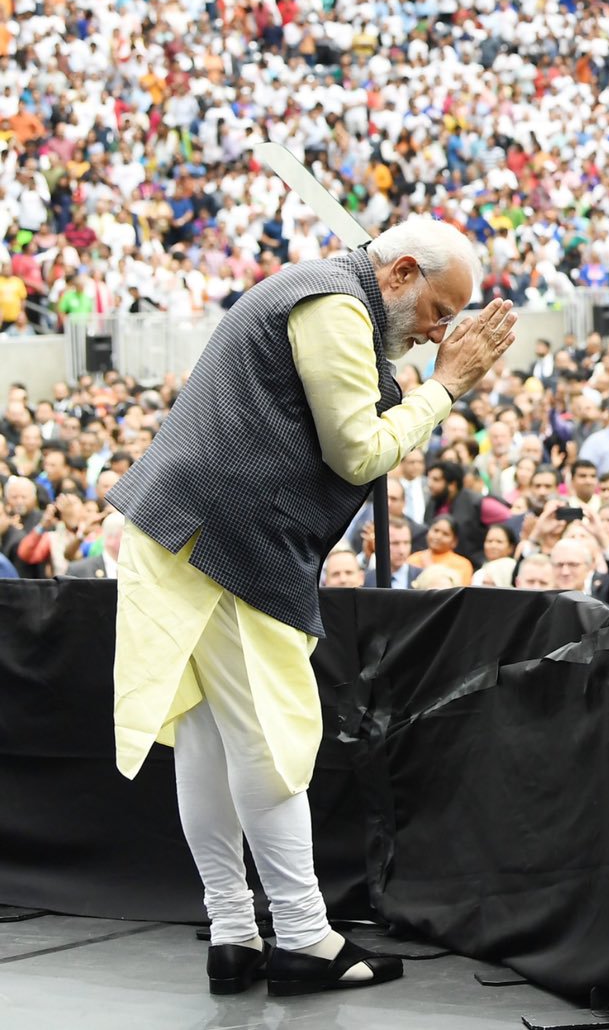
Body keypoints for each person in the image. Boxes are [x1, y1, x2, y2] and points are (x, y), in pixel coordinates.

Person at [107, 216, 516, 995]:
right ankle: (300, 939)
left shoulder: (326, 294)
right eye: (438, 311)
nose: (437, 335)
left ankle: (232, 934)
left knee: (210, 743)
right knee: (267, 740)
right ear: (399, 272)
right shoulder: (334, 305)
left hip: (179, 529)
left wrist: (423, 378)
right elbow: (357, 449)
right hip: (228, 543)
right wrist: (448, 388)